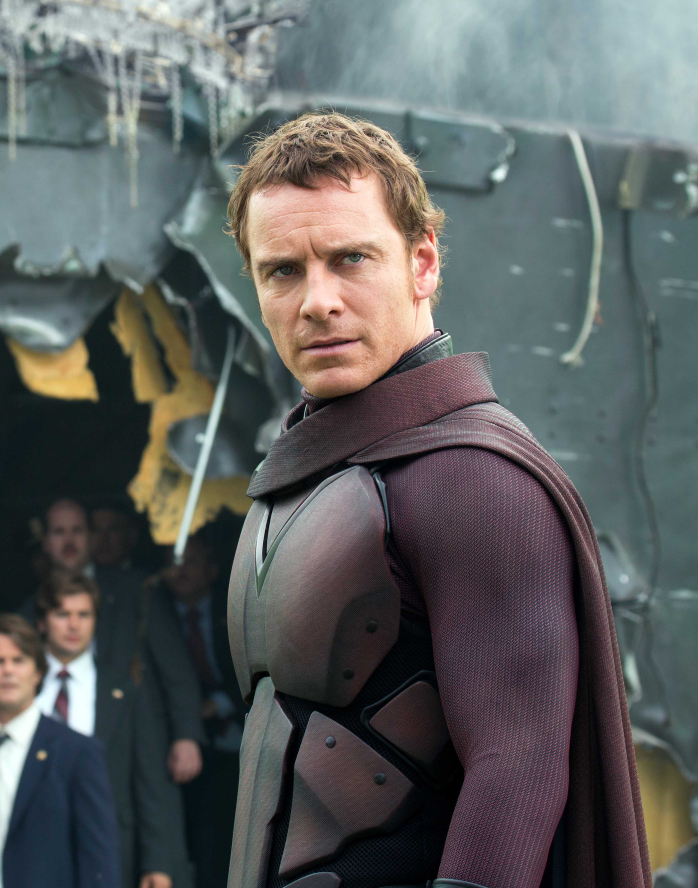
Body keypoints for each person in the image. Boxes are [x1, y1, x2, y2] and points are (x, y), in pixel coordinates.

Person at [219, 111, 649, 888]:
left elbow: (518, 765)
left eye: (350, 258)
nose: (317, 300)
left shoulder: (473, 479)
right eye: (283, 270)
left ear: (422, 264)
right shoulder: (303, 472)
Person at [33, 574, 189, 888]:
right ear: (42, 622)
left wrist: (157, 862)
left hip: (108, 849)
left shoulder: (124, 690)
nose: (74, 625)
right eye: (63, 614)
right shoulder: (18, 687)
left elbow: (148, 783)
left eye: (84, 614)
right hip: (35, 848)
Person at [0, 614, 118, 888]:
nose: (8, 671)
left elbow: (98, 858)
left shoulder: (77, 752)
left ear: (38, 673)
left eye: (19, 660)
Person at [38, 499, 206, 785]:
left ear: (91, 538)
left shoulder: (136, 588)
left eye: (77, 530)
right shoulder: (29, 610)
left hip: (141, 746)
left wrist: (187, 735)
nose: (69, 541)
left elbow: (175, 666)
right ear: (45, 543)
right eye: (59, 532)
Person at [157, 534, 243, 888]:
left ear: (212, 570)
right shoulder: (156, 614)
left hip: (241, 736)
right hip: (183, 745)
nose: (179, 571)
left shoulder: (235, 608)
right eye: (172, 563)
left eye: (190, 562)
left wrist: (219, 704)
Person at [89, 501, 140, 572]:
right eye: (96, 530)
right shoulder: (76, 574)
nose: (103, 539)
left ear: (131, 535)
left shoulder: (147, 576)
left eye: (113, 530)